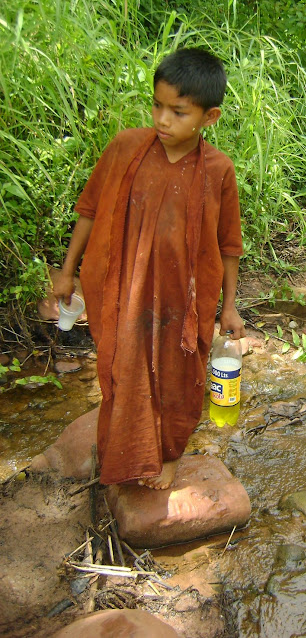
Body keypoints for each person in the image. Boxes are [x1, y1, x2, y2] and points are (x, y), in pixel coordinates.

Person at [52, 47, 245, 490]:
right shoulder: (126, 148)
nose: (162, 119)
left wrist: (229, 307)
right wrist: (69, 271)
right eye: (156, 105)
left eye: (178, 112)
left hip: (185, 297)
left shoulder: (218, 170)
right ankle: (128, 452)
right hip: (125, 288)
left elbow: (228, 243)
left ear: (209, 116)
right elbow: (89, 210)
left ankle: (170, 453)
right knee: (123, 366)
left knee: (180, 372)